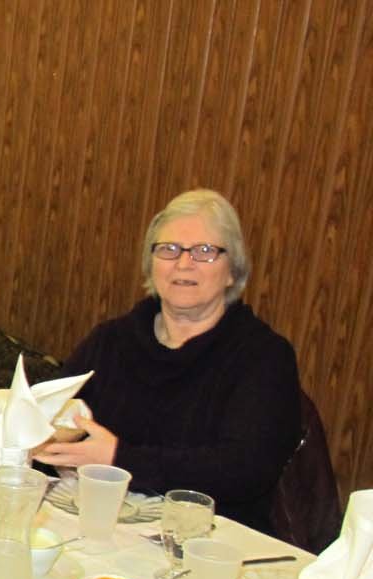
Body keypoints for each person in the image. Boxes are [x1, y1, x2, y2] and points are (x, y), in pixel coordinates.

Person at [34, 188, 301, 534]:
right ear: (151, 265)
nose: (183, 263)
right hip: (100, 520)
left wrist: (120, 459)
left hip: (206, 538)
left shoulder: (263, 357)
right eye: (169, 249)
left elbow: (245, 470)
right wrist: (49, 435)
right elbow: (54, 416)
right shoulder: (111, 341)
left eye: (205, 251)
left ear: (232, 271)